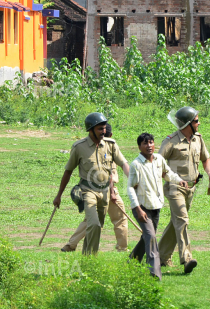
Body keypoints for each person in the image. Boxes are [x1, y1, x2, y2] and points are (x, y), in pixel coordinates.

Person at [53, 113, 129, 255]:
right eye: (100, 129)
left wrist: (133, 180)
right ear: (91, 129)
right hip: (88, 191)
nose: (103, 131)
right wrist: (58, 196)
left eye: (104, 128)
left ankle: (88, 258)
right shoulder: (79, 147)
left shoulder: (110, 145)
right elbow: (68, 172)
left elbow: (124, 163)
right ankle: (87, 254)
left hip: (105, 192)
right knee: (93, 223)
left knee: (97, 227)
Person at [158, 106, 210, 274]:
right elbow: (158, 164)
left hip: (192, 188)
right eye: (197, 121)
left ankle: (160, 257)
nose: (199, 123)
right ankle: (187, 258)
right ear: (188, 124)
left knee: (176, 222)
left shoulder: (198, 139)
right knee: (182, 219)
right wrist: (170, 178)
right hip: (174, 188)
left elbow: (206, 159)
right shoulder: (170, 141)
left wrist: (209, 172)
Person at [127, 133, 187, 280]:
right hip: (142, 208)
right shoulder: (136, 165)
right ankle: (154, 271)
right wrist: (137, 209)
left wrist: (179, 181)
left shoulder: (159, 160)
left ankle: (131, 261)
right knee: (152, 237)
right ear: (139, 147)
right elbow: (130, 188)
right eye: (145, 143)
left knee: (146, 238)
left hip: (156, 207)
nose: (149, 146)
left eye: (151, 142)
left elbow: (168, 174)